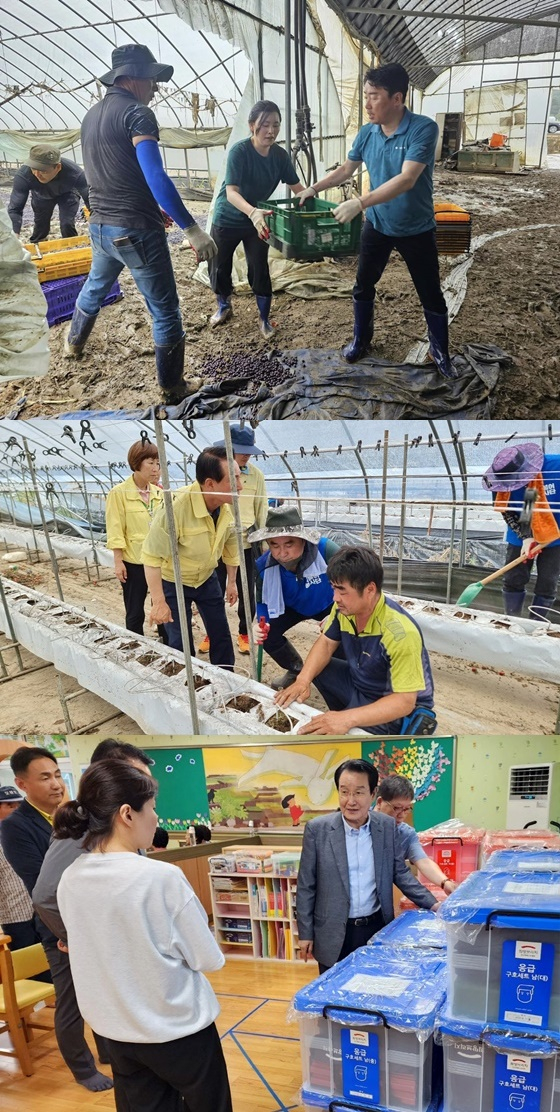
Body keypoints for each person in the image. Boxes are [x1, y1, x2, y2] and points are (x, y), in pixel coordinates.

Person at [56, 760, 233, 1112]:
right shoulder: (160, 877)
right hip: (177, 1031)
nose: (156, 817)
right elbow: (208, 958)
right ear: (127, 814)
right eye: (152, 808)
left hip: (115, 1032)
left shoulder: (71, 878)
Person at [63, 44, 217, 404]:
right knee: (165, 309)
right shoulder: (137, 114)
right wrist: (192, 228)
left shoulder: (90, 116)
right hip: (135, 232)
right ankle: (172, 387)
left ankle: (73, 345)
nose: (155, 87)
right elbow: (155, 175)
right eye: (151, 80)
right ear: (132, 78)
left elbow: (112, 172)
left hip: (101, 226)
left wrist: (151, 208)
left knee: (95, 287)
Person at [298, 63, 455, 379]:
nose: (367, 104)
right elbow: (346, 170)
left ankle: (439, 350)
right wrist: (313, 187)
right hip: (378, 224)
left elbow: (408, 179)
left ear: (397, 98)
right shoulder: (367, 133)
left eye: (374, 97)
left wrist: (359, 202)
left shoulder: (423, 129)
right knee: (363, 284)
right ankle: (361, 339)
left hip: (416, 228)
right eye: (366, 96)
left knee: (430, 292)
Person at [1, 746, 112, 1092]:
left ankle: (109, 1050)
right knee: (71, 1002)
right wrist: (67, 932)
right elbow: (41, 885)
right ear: (22, 783)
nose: (55, 784)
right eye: (44, 777)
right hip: (57, 928)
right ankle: (83, 1070)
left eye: (57, 775)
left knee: (103, 991)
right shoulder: (16, 827)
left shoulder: (76, 814)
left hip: (93, 921)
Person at [276, 545, 437, 736]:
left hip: (395, 707)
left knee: (338, 738)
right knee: (317, 669)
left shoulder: (400, 633)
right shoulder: (343, 610)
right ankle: (345, 718)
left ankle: (352, 722)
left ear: (369, 589)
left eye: (343, 591)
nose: (335, 598)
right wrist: (302, 680)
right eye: (334, 588)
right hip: (363, 685)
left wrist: (347, 719)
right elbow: (326, 644)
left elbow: (404, 701)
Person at [296, 759, 439, 973]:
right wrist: (305, 933)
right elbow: (306, 885)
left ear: (372, 795)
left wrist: (435, 905)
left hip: (375, 927)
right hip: (333, 932)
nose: (350, 801)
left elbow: (400, 873)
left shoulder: (386, 826)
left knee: (374, 988)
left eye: (359, 792)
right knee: (334, 997)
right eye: (344, 792)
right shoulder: (318, 830)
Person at [208, 99, 304, 337]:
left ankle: (264, 319)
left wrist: (319, 206)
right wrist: (251, 212)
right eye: (264, 125)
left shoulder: (280, 157)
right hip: (229, 218)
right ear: (252, 126)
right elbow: (231, 193)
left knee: (259, 268)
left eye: (276, 125)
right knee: (220, 267)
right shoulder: (239, 152)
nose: (271, 131)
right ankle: (223, 306)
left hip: (258, 220)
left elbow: (298, 188)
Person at [141, 446, 241, 668]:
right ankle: (188, 684)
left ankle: (226, 679)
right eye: (233, 481)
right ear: (210, 484)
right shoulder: (175, 508)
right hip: (174, 581)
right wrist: (159, 602)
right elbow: (151, 556)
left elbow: (231, 545)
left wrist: (232, 582)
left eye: (239, 477)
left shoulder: (226, 506)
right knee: (180, 639)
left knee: (221, 633)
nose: (240, 487)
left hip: (206, 577)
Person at [247, 505, 340, 690]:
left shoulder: (326, 551)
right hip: (291, 606)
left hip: (329, 603)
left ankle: (340, 678)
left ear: (302, 540)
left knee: (343, 635)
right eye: (274, 545)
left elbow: (352, 585)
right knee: (267, 636)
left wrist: (339, 615)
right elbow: (262, 601)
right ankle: (295, 669)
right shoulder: (263, 566)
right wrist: (259, 624)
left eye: (289, 544)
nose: (282, 553)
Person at [199, 425, 268, 656]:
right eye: (242, 450)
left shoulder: (256, 475)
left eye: (250, 450)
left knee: (246, 591)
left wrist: (265, 541)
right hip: (218, 542)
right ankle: (212, 631)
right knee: (213, 591)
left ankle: (244, 632)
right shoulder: (216, 472)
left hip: (246, 544)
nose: (247, 454)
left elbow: (262, 508)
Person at [482, 442, 560, 622]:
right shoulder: (498, 478)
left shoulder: (555, 467)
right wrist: (526, 537)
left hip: (555, 534)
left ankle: (537, 624)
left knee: (548, 581)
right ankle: (513, 620)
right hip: (519, 529)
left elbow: (531, 498)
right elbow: (508, 510)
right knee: (514, 577)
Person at [105, 438, 166, 638]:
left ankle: (168, 646)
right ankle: (136, 646)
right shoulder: (119, 493)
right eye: (150, 463)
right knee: (134, 611)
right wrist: (118, 560)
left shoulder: (159, 493)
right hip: (134, 561)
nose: (156, 468)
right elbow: (115, 528)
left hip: (159, 561)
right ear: (136, 463)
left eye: (158, 463)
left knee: (162, 606)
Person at [374, 774, 457, 895]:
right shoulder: (362, 823)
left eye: (407, 809)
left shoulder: (406, 833)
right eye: (397, 808)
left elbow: (423, 861)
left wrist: (445, 882)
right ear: (380, 802)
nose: (402, 815)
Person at [8, 145, 89, 243]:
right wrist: (14, 235)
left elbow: (91, 201)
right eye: (34, 169)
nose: (37, 174)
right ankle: (38, 243)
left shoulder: (75, 173)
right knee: (41, 225)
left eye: (43, 170)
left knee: (67, 223)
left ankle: (71, 245)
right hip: (41, 195)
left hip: (68, 193)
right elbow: (15, 209)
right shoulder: (23, 175)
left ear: (58, 167)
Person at [0, 785, 39, 952]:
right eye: (10, 805)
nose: (16, 809)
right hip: (16, 918)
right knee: (31, 968)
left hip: (40, 911)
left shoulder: (24, 834)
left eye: (18, 804)